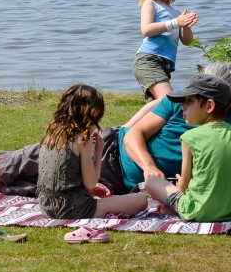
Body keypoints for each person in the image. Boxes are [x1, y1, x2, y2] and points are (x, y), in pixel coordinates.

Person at [0, 63, 231, 203]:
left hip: (119, 184)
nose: (187, 100)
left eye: (195, 96)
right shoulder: (175, 106)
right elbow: (133, 135)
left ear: (217, 102)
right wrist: (149, 167)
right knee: (24, 160)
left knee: (28, 188)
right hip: (109, 146)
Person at [143, 74, 231, 222]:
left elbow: (182, 188)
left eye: (189, 101)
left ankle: (178, 208)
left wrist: (177, 193)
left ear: (209, 106)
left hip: (198, 212)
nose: (183, 106)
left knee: (152, 181)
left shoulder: (189, 137)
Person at [37, 85, 149, 220]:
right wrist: (98, 152)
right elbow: (91, 182)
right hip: (72, 210)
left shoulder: (51, 135)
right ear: (92, 116)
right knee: (141, 200)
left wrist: (87, 190)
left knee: (98, 198)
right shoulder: (82, 139)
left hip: (47, 207)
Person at [133, 0, 199, 102]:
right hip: (148, 59)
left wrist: (185, 26)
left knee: (160, 104)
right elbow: (146, 30)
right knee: (167, 100)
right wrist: (176, 22)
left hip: (164, 64)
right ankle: (135, 120)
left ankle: (143, 119)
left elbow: (187, 41)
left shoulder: (175, 13)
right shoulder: (150, 4)